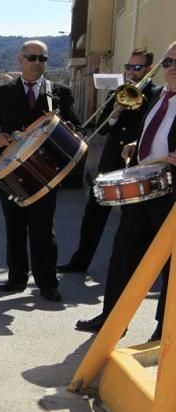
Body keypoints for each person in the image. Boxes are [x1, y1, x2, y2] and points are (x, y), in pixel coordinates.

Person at [76, 41, 176, 341]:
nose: (171, 69)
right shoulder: (158, 95)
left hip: (170, 193)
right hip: (142, 187)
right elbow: (151, 130)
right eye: (168, 62)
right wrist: (137, 144)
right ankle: (113, 319)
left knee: (170, 266)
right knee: (122, 256)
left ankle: (165, 329)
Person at [0, 40, 80, 302]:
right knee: (14, 228)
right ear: (20, 60)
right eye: (32, 57)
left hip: (46, 174)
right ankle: (16, 279)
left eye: (42, 59)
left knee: (43, 230)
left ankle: (47, 282)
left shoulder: (60, 92)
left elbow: (77, 129)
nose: (37, 63)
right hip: (11, 174)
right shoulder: (1, 93)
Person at [59, 49, 158, 274]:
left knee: (133, 222)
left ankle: (134, 270)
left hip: (136, 166)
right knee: (93, 215)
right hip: (110, 163)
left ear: (149, 69)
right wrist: (114, 113)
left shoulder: (155, 94)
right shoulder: (118, 92)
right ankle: (80, 261)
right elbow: (102, 127)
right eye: (128, 67)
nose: (131, 72)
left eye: (137, 68)